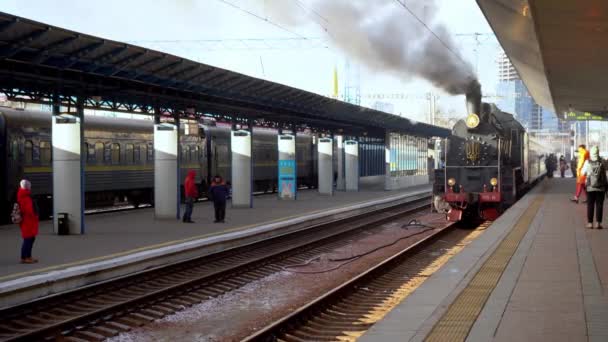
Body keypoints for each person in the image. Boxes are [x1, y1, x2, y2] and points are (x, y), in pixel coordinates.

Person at [581, 146, 607, 229]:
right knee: (599, 205)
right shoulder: (603, 161)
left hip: (590, 187)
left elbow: (582, 173)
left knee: (590, 204)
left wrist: (589, 173)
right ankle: (598, 223)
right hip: (601, 187)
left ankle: (590, 223)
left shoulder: (587, 162)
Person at [16, 180, 39, 264]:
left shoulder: (23, 195)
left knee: (30, 238)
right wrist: (35, 216)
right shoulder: (25, 197)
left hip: (28, 221)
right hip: (28, 221)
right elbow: (29, 211)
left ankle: (28, 256)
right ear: (26, 187)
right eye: (29, 185)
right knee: (28, 239)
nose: (30, 187)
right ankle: (25, 257)